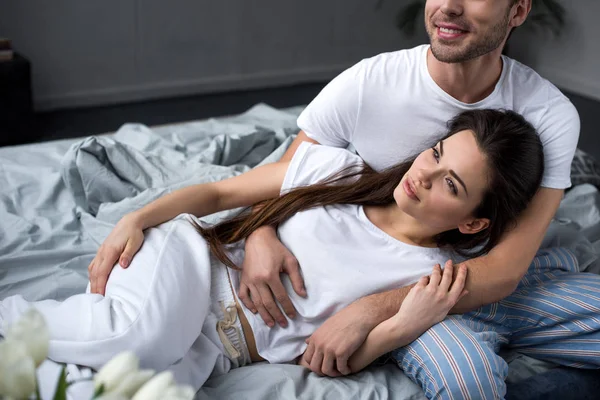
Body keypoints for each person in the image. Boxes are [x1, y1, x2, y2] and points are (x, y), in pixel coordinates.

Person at [88, 0, 600, 398]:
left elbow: (504, 270)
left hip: (447, 278)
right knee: (467, 376)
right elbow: (284, 181)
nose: (448, 7)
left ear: (518, 10)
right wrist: (259, 232)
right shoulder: (369, 85)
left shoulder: (548, 113)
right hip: (418, 284)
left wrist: (370, 313)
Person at [1, 109, 544, 392]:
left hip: (218, 350)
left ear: (474, 220)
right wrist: (138, 218)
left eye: (451, 183)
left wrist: (402, 327)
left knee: (126, 392)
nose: (423, 175)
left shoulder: (429, 277)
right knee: (139, 335)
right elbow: (219, 193)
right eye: (435, 153)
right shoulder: (340, 171)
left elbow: (331, 358)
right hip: (191, 262)